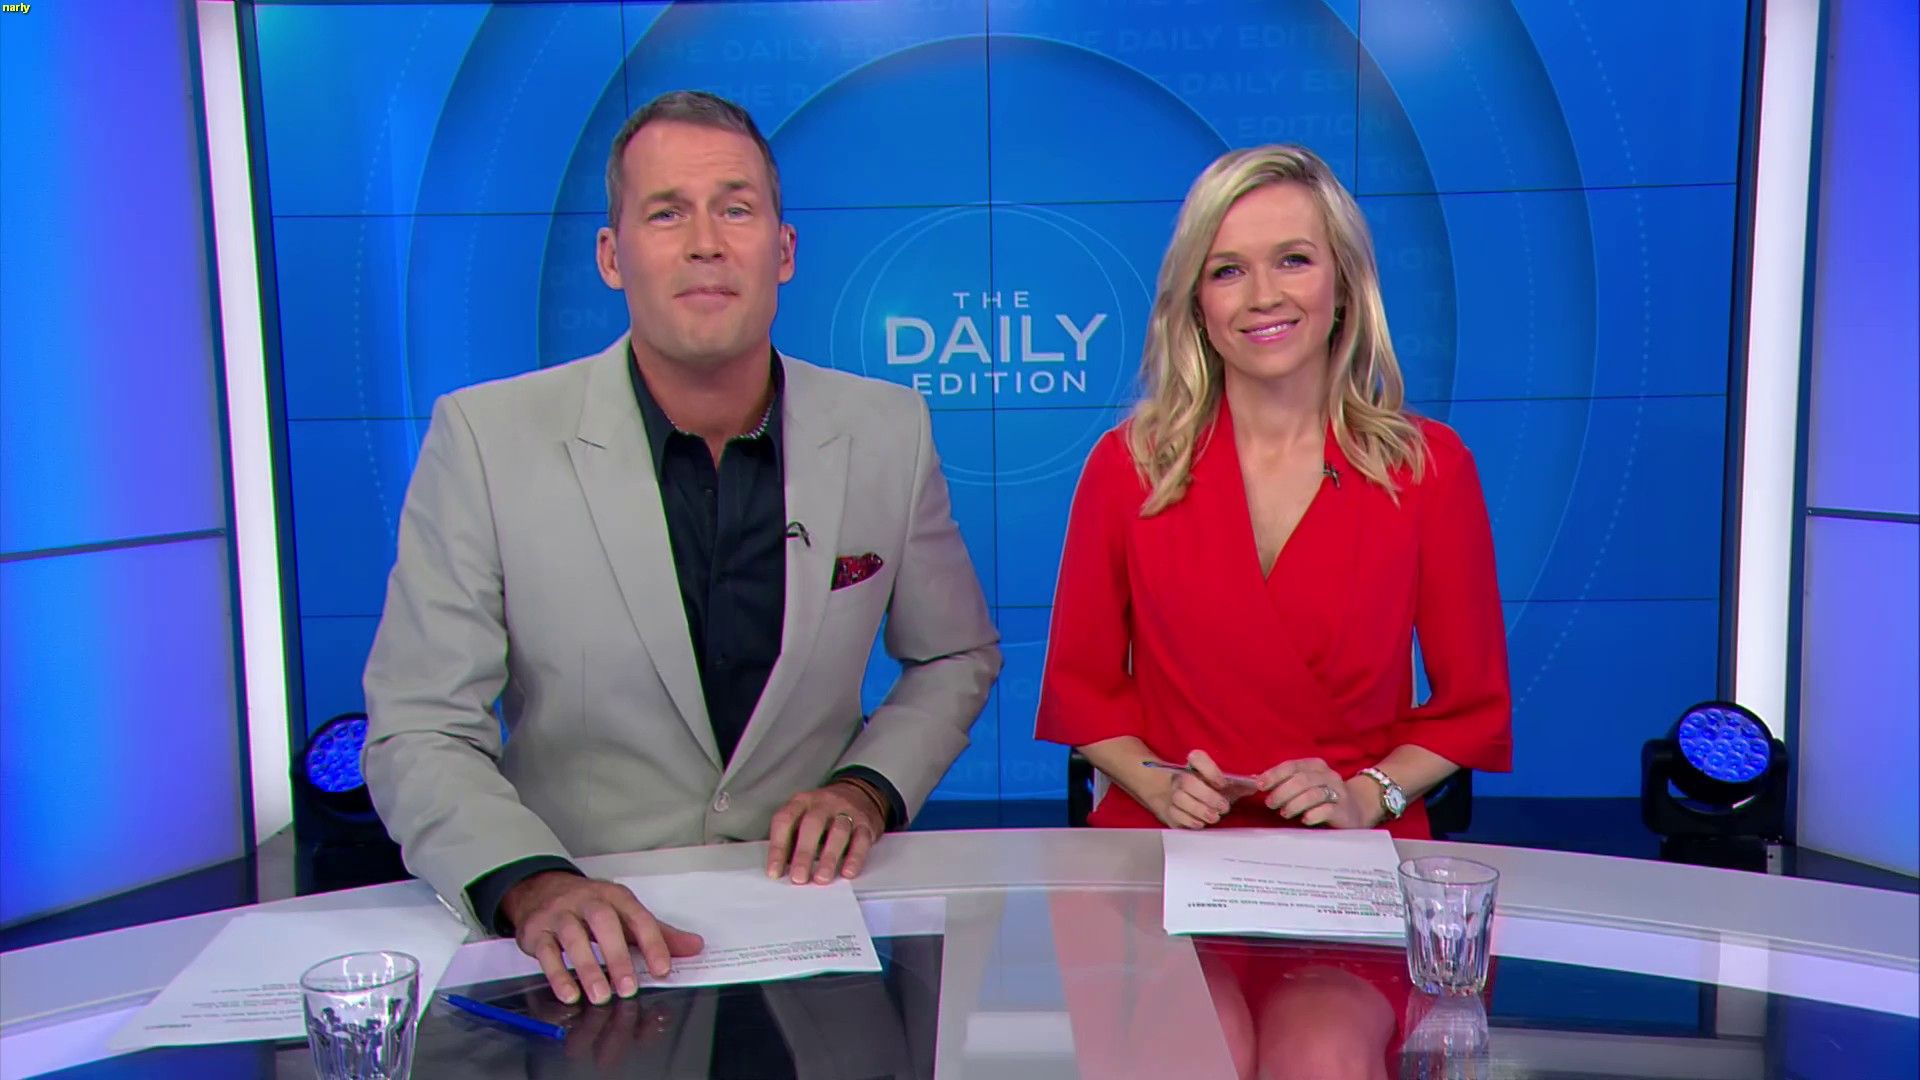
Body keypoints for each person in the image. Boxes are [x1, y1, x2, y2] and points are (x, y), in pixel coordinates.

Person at [362, 90, 1001, 1008]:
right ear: (611, 256)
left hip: (816, 941)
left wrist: (867, 787)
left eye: (736, 209)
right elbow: (420, 726)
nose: (706, 242)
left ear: (783, 250)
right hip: (584, 958)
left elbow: (954, 655)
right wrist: (530, 882)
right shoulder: (486, 440)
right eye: (667, 213)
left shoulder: (886, 431)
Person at [1035, 143, 1511, 839]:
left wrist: (1366, 796)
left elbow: (1471, 709)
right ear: (1197, 303)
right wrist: (1159, 785)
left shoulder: (1428, 467)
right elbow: (1081, 691)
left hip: (1348, 842)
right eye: (1227, 270)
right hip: (1168, 841)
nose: (1263, 296)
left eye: (1294, 260)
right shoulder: (1128, 466)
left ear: (1344, 284)